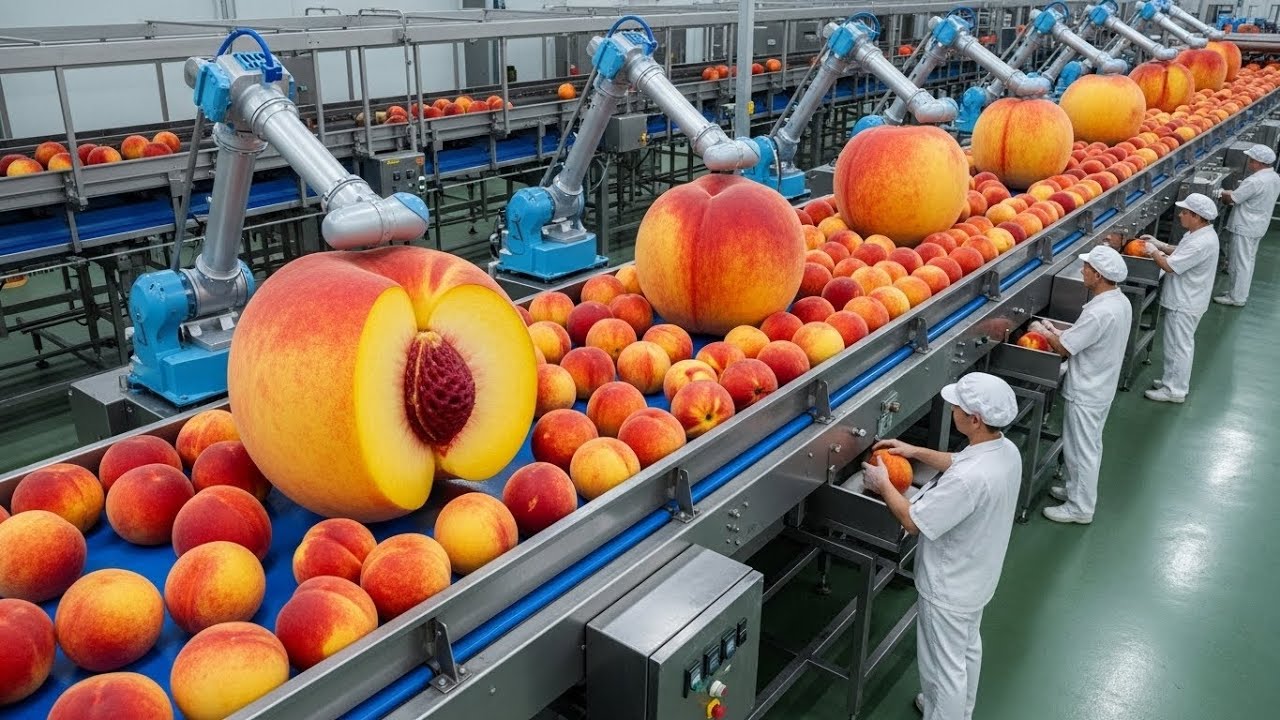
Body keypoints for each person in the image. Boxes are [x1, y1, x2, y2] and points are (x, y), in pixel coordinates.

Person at [862, 372, 1021, 720]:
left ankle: (945, 710)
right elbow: (958, 461)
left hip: (948, 588)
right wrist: (914, 451)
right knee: (966, 649)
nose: (952, 410)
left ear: (974, 420)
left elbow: (911, 521)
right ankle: (960, 711)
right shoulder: (1005, 450)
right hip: (977, 577)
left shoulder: (967, 480)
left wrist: (882, 483)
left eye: (957, 407)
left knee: (942, 668)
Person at [1028, 245, 1132, 524]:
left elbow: (1065, 348)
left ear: (1098, 275)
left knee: (1081, 449)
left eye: (1086, 268)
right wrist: (1055, 330)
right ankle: (1076, 490)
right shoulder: (1119, 301)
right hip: (1100, 385)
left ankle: (1080, 508)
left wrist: (1043, 332)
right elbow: (1085, 337)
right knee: (1086, 445)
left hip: (1088, 390)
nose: (1082, 271)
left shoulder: (1100, 312)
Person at [1141, 193, 1220, 403]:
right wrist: (1160, 245)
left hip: (1185, 302)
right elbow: (1181, 252)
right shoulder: (1199, 234)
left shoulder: (1201, 242)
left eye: (1184, 212)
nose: (1180, 215)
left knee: (1178, 346)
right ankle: (1171, 380)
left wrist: (1153, 252)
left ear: (1196, 216)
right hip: (1188, 298)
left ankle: (1174, 390)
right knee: (1177, 345)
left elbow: (1169, 266)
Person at [1215, 144, 1280, 306]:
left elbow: (1233, 199)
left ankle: (1236, 298)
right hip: (1258, 225)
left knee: (1239, 262)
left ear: (1258, 162)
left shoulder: (1255, 181)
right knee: (1248, 261)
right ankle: (1238, 293)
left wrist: (1220, 192)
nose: (1249, 163)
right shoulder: (1274, 177)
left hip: (1245, 226)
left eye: (1251, 160)